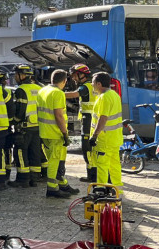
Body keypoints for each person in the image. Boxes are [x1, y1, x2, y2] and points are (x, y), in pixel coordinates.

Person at [38, 69, 79, 198]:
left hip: (44, 132)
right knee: (55, 162)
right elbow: (59, 116)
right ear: (64, 81)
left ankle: (62, 184)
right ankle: (52, 189)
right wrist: (65, 133)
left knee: (58, 161)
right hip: (56, 133)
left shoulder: (42, 91)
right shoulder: (58, 93)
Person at [88, 72, 123, 194]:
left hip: (105, 139)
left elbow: (103, 118)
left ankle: (101, 190)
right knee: (115, 165)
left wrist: (94, 135)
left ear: (99, 84)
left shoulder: (104, 97)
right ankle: (117, 189)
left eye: (93, 83)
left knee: (102, 165)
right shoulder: (114, 95)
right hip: (115, 138)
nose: (92, 85)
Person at [11, 64, 43, 188]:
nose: (15, 77)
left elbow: (20, 110)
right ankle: (34, 179)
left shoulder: (21, 90)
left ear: (23, 75)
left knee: (20, 152)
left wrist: (14, 121)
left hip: (25, 127)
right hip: (37, 126)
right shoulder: (39, 88)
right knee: (35, 152)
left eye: (16, 74)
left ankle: (23, 179)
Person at [65, 64, 97, 183]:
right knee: (90, 149)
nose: (73, 78)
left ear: (81, 74)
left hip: (88, 121)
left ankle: (92, 175)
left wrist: (56, 94)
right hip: (92, 120)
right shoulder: (92, 85)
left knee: (86, 148)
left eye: (74, 75)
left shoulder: (85, 87)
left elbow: (73, 94)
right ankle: (93, 174)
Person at [0, 69, 15, 181]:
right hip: (4, 126)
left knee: (0, 151)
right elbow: (11, 108)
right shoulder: (4, 92)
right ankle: (5, 173)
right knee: (5, 151)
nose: (6, 82)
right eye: (4, 80)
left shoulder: (4, 91)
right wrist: (10, 122)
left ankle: (4, 173)